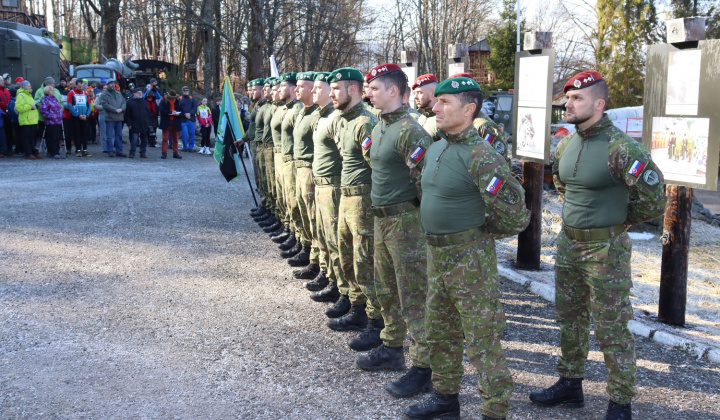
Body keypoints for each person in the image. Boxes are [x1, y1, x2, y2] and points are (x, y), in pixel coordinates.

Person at [528, 70, 666, 420]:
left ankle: (620, 402)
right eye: (567, 98)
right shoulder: (565, 144)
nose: (568, 104)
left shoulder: (622, 148)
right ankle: (570, 384)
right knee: (569, 319)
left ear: (599, 104)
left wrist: (619, 221)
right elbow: (563, 186)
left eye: (577, 99)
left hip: (606, 251)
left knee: (611, 327)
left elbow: (654, 200)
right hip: (569, 244)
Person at [405, 76, 530, 420]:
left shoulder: (482, 155)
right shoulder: (435, 147)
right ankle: (446, 400)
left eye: (445, 102)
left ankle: (494, 409)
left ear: (469, 109)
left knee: (481, 338)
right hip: (437, 255)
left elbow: (516, 215)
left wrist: (479, 232)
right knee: (439, 330)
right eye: (436, 101)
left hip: (469, 258)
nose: (435, 107)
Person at [354, 63, 434, 396]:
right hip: (382, 219)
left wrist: (414, 220)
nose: (367, 93)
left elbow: (425, 182)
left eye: (373, 88)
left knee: (412, 296)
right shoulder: (379, 128)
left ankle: (423, 367)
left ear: (392, 91)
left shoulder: (410, 131)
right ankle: (391, 348)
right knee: (386, 289)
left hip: (406, 223)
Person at [316, 67, 381, 336]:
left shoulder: (364, 123)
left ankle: (376, 321)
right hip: (346, 196)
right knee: (347, 258)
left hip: (363, 201)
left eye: (335, 89)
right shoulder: (342, 120)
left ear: (352, 90)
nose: (332, 94)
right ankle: (356, 308)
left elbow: (377, 167)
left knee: (365, 261)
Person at [303, 72, 341, 295]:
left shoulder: (335, 118)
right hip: (320, 182)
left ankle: (338, 284)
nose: (313, 91)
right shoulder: (321, 116)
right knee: (322, 233)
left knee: (334, 239)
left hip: (333, 185)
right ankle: (328, 274)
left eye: (318, 88)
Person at [290, 71, 320, 275]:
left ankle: (317, 261)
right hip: (299, 166)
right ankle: (306, 248)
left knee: (314, 218)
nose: (296, 89)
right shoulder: (302, 111)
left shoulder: (318, 115)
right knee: (300, 211)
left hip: (311, 169)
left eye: (301, 86)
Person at [98, 80, 127, 157]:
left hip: (119, 117)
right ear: (107, 85)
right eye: (110, 84)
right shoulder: (104, 94)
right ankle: (110, 150)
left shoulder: (118, 93)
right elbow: (105, 105)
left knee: (119, 135)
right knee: (109, 135)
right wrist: (115, 110)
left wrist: (122, 109)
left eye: (113, 83)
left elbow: (124, 102)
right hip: (110, 118)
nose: (112, 85)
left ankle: (119, 151)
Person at [15, 80, 42, 159]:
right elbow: (19, 108)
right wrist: (30, 107)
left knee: (33, 137)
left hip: (32, 120)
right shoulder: (20, 95)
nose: (30, 87)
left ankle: (33, 152)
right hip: (25, 120)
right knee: (26, 138)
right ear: (24, 87)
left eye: (30, 86)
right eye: (28, 86)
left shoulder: (30, 95)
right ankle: (28, 153)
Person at [66, 79, 92, 157]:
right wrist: (77, 115)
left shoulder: (85, 93)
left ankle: (84, 149)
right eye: (79, 86)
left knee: (84, 133)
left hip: (84, 116)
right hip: (76, 117)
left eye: (82, 86)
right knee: (77, 133)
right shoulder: (71, 93)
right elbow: (69, 105)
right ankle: (78, 149)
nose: (81, 88)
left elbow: (89, 105)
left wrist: (86, 115)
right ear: (76, 85)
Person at [39, 85, 64, 159]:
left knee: (57, 137)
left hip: (58, 121)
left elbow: (59, 108)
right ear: (47, 91)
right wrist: (51, 116)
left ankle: (57, 151)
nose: (53, 91)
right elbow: (43, 111)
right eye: (51, 90)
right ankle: (52, 152)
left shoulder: (55, 98)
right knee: (52, 137)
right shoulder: (45, 99)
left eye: (53, 90)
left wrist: (61, 115)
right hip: (51, 122)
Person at [124, 88, 150, 158]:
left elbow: (147, 113)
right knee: (134, 139)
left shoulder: (144, 102)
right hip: (134, 124)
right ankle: (132, 152)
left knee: (144, 139)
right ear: (134, 93)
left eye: (141, 92)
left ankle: (143, 152)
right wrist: (129, 124)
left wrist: (147, 123)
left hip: (143, 123)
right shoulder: (130, 102)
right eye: (138, 92)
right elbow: (127, 115)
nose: (140, 94)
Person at [159, 90, 182, 159]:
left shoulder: (178, 102)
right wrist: (170, 112)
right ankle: (164, 153)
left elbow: (181, 110)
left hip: (175, 122)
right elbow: (161, 110)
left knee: (175, 139)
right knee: (165, 139)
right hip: (166, 122)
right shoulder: (164, 102)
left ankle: (175, 153)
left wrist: (178, 113)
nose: (173, 98)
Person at [178, 86, 197, 152]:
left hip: (191, 118)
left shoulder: (192, 99)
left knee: (192, 133)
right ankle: (185, 146)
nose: (186, 91)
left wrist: (190, 114)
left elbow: (195, 107)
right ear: (182, 91)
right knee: (184, 133)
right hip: (183, 119)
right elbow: (178, 109)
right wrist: (184, 114)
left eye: (187, 90)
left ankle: (191, 147)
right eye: (184, 90)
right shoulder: (179, 99)